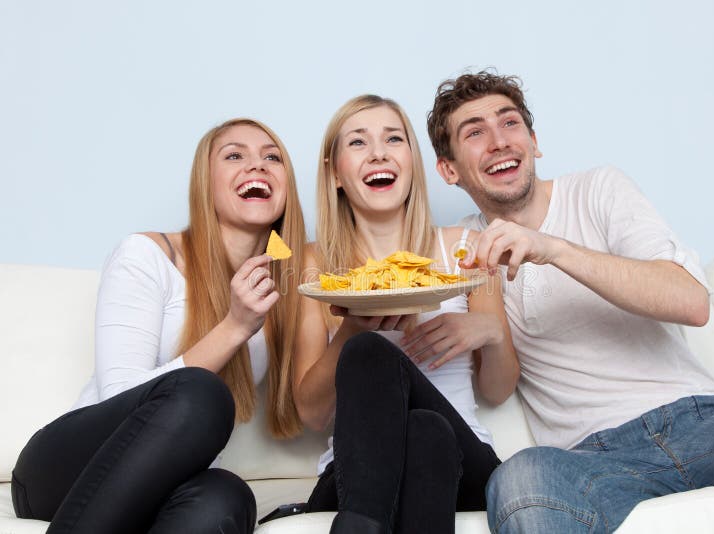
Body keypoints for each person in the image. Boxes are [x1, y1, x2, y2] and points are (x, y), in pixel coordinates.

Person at [426, 70, 714, 533]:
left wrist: (553, 249)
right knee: (520, 477)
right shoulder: (467, 248)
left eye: (509, 123)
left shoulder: (599, 189)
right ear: (448, 170)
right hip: (595, 461)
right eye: (475, 133)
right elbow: (494, 387)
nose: (499, 141)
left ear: (534, 141)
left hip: (712, 425)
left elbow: (691, 301)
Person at [11, 118, 306, 534]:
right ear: (205, 182)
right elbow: (124, 401)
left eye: (272, 158)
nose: (257, 166)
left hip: (167, 481)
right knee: (200, 391)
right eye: (235, 155)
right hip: (67, 465)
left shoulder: (280, 293)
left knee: (226, 497)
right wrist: (235, 326)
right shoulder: (147, 256)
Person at [293, 95, 519, 534]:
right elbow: (312, 415)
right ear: (335, 174)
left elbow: (498, 390)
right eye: (358, 143)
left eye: (393, 139)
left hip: (465, 463)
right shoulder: (315, 266)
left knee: (431, 427)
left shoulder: (465, 248)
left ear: (411, 162)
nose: (379, 152)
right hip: (354, 470)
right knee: (421, 426)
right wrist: (350, 330)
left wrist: (488, 330)